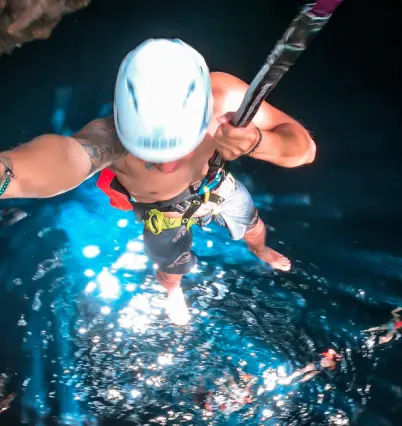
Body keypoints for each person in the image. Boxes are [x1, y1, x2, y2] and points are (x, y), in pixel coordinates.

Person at [0, 39, 316, 324]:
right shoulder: (108, 139)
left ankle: (259, 249)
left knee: (255, 228)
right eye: (149, 156)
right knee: (172, 268)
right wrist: (7, 173)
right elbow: (63, 159)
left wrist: (258, 142)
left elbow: (305, 150)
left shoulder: (223, 98)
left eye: (181, 150)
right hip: (162, 213)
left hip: (215, 185)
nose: (167, 168)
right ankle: (172, 291)